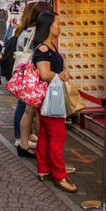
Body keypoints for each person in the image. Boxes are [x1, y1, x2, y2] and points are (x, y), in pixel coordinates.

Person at [32, 10, 77, 193]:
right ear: (48, 27)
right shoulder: (44, 49)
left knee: (45, 134)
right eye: (57, 23)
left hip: (48, 97)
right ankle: (60, 175)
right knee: (57, 135)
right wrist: (61, 75)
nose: (60, 26)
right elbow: (44, 74)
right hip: (51, 99)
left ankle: (44, 169)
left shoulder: (49, 46)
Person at [13, 1, 54, 156]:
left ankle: (21, 139)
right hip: (34, 76)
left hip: (26, 75)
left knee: (24, 108)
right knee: (28, 109)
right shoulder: (37, 34)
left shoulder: (24, 31)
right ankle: (22, 139)